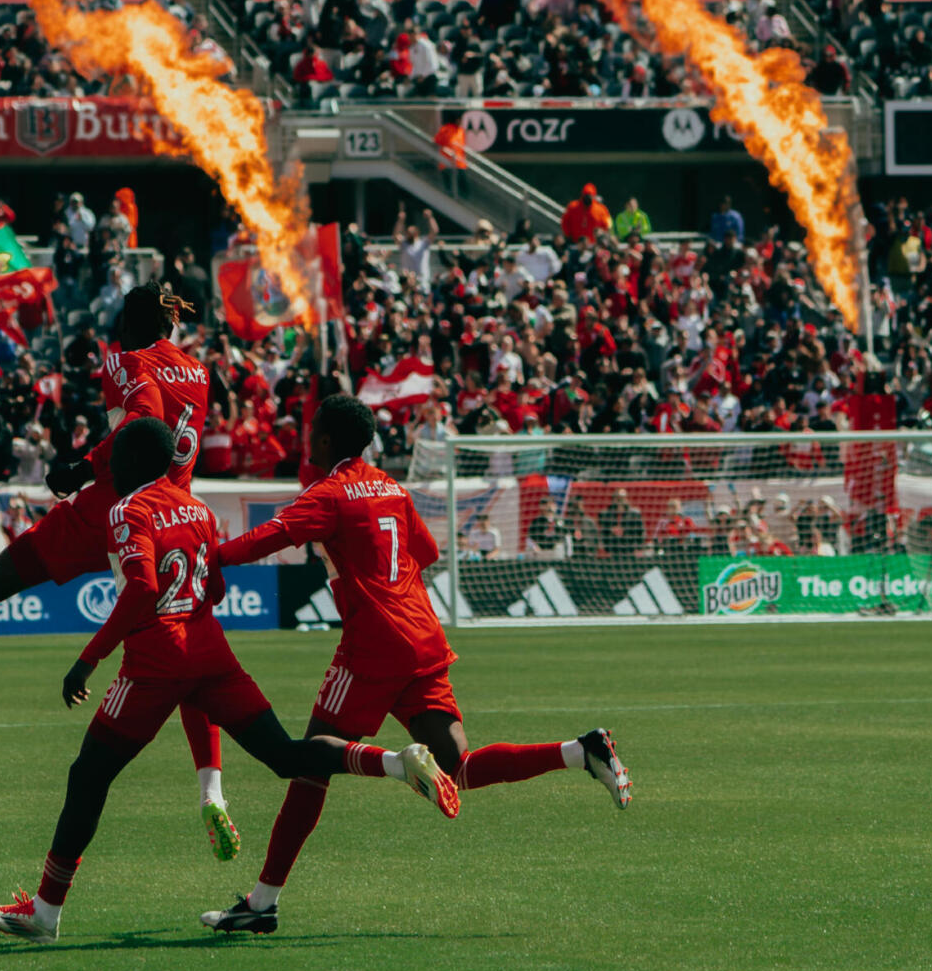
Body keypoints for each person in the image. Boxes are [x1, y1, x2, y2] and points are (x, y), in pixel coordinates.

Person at [0, 417, 458, 942]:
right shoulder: (199, 510)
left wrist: (88, 660)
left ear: (130, 463)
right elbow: (216, 589)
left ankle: (45, 912)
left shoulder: (126, 509)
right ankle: (391, 762)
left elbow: (139, 589)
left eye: (114, 461)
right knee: (286, 755)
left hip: (154, 663)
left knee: (89, 775)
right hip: (212, 656)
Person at [198, 396, 632, 934]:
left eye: (314, 431)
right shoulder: (391, 486)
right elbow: (424, 552)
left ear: (326, 440)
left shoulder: (329, 493)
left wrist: (208, 556)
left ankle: (264, 902)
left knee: (309, 766)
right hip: (423, 636)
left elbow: (269, 538)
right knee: (459, 766)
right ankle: (579, 751)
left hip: (374, 646)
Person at [0, 284, 245, 857]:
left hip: (112, 507)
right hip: (174, 516)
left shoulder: (127, 359)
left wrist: (84, 465)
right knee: (184, 652)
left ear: (129, 322)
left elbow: (143, 420)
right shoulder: (199, 374)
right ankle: (213, 794)